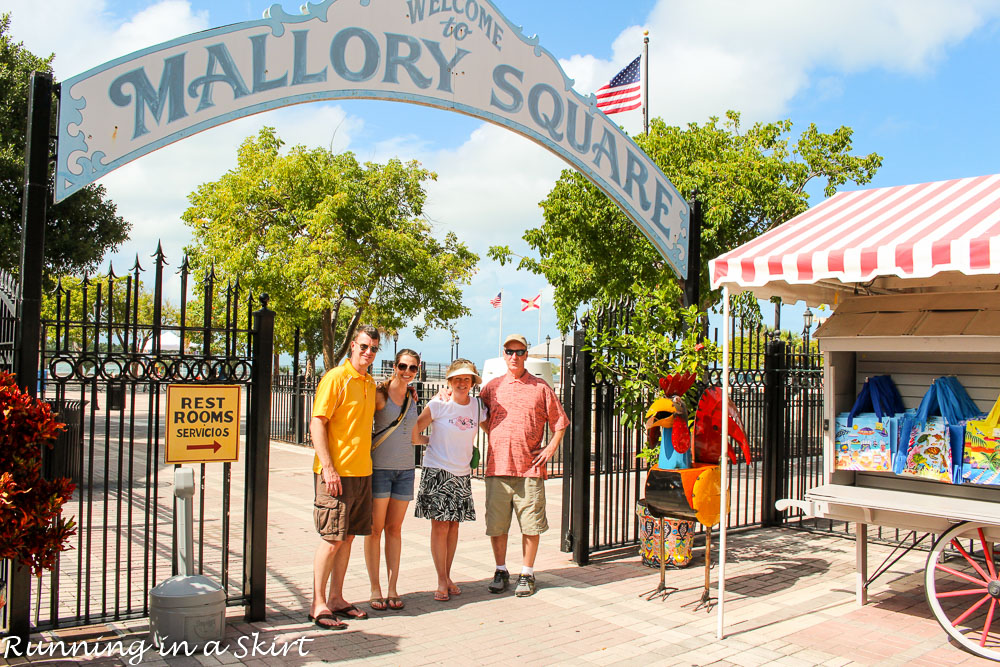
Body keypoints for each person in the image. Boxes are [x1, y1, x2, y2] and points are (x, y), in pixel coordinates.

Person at [479, 333, 569, 597]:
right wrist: (492, 432)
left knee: (531, 525)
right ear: (503, 354)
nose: (514, 357)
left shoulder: (541, 388)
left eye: (519, 352)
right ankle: (500, 569)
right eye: (509, 351)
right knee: (497, 525)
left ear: (527, 355)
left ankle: (527, 573)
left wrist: (551, 448)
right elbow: (476, 413)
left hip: (529, 469)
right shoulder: (492, 387)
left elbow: (560, 422)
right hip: (497, 468)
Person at [308, 325, 380, 630]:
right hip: (336, 474)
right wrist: (328, 467)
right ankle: (318, 603)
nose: (368, 353)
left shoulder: (368, 381)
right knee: (331, 539)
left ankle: (336, 598)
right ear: (353, 345)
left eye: (373, 349)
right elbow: (317, 421)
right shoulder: (336, 378)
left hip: (362, 471)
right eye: (363, 346)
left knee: (348, 537)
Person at [412, 359, 486, 602]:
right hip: (438, 472)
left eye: (467, 379)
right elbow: (414, 432)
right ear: (450, 382)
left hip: (462, 474)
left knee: (454, 526)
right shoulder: (439, 403)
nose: (462, 383)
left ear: (473, 382)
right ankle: (441, 579)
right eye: (457, 379)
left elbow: (492, 427)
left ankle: (447, 575)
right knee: (440, 526)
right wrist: (428, 442)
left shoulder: (477, 407)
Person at [364, 348, 421, 612]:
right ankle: (375, 588)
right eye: (402, 366)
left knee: (395, 530)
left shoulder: (412, 397)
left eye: (412, 368)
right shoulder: (380, 395)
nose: (407, 372)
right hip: (380, 470)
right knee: (375, 530)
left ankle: (392, 587)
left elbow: (414, 436)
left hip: (405, 470)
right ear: (394, 366)